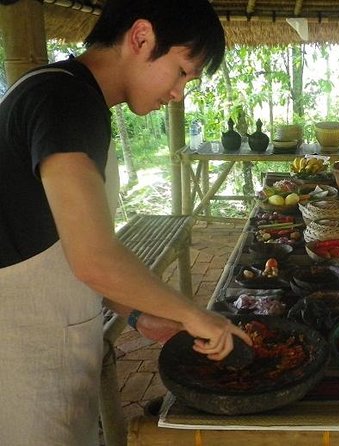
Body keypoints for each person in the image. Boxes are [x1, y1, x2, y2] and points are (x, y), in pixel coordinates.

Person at [0, 0, 252, 444]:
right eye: (182, 71)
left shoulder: (68, 94)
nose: (179, 93)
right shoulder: (64, 101)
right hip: (19, 354)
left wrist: (134, 312)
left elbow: (63, 237)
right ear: (141, 38)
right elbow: (93, 256)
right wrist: (195, 316)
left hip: (51, 336)